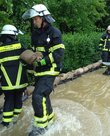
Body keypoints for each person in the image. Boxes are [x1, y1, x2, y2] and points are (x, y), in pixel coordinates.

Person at [22, 4, 65, 135]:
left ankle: (41, 127)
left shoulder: (54, 32)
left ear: (44, 18)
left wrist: (42, 62)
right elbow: (35, 54)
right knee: (44, 96)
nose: (34, 21)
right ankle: (50, 120)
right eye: (33, 19)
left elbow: (58, 54)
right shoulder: (35, 35)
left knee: (37, 96)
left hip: (50, 71)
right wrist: (30, 66)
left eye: (36, 19)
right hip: (39, 72)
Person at [0, 24, 28, 127]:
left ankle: (6, 123)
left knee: (8, 100)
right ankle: (16, 120)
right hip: (20, 82)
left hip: (7, 84)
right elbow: (27, 61)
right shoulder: (19, 46)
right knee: (18, 99)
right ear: (13, 35)